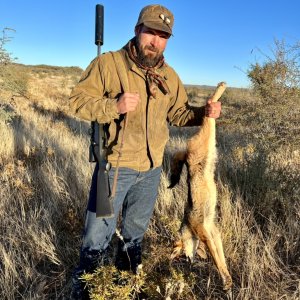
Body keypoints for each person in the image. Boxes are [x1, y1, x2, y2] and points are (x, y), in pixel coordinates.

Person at [69, 4, 221, 299]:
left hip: (151, 170)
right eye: (150, 32)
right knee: (97, 234)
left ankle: (125, 286)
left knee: (135, 234)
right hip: (115, 168)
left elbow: (178, 114)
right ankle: (86, 290)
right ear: (137, 30)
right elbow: (76, 101)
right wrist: (113, 106)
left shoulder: (170, 76)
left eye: (162, 35)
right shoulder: (109, 64)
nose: (155, 40)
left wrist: (205, 112)